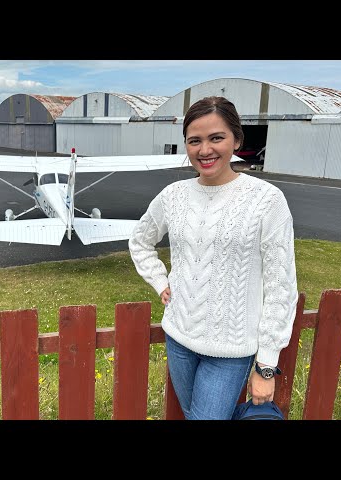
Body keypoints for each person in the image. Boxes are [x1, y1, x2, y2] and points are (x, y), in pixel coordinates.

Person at [128, 96, 298, 420]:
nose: (205, 150)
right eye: (195, 141)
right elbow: (140, 240)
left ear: (237, 139)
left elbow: (280, 285)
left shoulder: (266, 201)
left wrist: (265, 367)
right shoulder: (173, 196)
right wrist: (159, 279)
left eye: (216, 138)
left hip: (231, 352)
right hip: (178, 338)